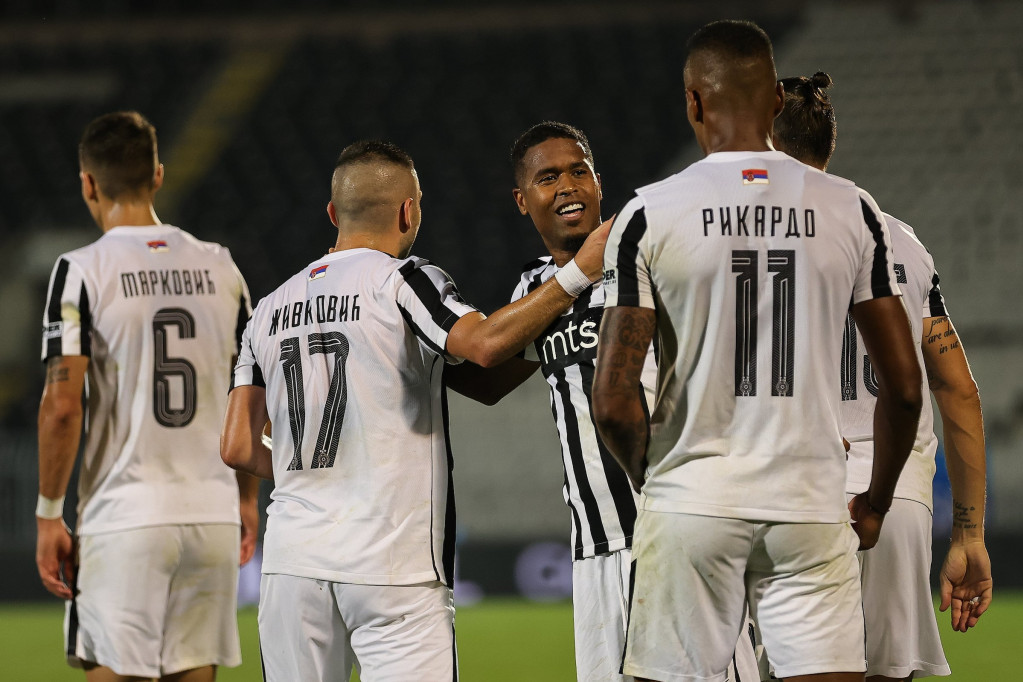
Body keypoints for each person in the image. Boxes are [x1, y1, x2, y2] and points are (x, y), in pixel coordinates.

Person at [591, 20, 923, 682]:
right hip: (809, 501)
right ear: (775, 99)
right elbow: (905, 388)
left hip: (694, 498)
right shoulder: (851, 209)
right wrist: (876, 501)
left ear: (693, 102)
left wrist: (660, 482)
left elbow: (612, 400)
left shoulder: (649, 213)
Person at [219, 139, 609, 681]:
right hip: (393, 566)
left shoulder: (267, 310)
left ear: (333, 214)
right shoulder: (403, 280)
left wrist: (299, 464)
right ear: (409, 211)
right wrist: (577, 274)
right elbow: (484, 346)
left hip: (291, 566)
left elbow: (238, 445)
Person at [447, 121, 760, 682]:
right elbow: (486, 376)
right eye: (548, 177)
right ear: (522, 200)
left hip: (678, 528)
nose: (568, 185)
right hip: (596, 548)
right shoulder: (535, 293)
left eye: (579, 171)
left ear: (597, 182)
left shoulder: (652, 256)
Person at [773, 72, 992, 681]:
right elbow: (957, 390)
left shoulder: (744, 239)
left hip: (789, 490)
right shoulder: (900, 240)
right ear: (827, 144)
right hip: (895, 500)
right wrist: (969, 536)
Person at [36, 111, 259, 681]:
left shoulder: (81, 271)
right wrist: (245, 499)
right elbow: (251, 394)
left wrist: (48, 515)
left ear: (88, 183)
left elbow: (62, 406)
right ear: (158, 174)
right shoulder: (222, 267)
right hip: (211, 517)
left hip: (125, 518)